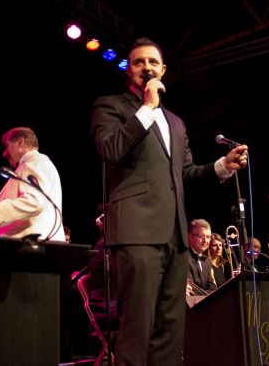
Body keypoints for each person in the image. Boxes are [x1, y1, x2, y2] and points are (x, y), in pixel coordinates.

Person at [90, 37, 248, 366]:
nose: (146, 67)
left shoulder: (176, 122)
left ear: (163, 70)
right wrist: (147, 108)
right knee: (136, 328)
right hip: (136, 232)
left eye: (152, 62)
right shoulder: (110, 106)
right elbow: (111, 150)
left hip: (175, 235)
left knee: (170, 329)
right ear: (128, 69)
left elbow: (185, 174)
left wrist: (222, 166)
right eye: (138, 62)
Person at [0, 126, 65, 242]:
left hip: (35, 246)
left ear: (20, 143)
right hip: (33, 245)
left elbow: (34, 201)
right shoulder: (32, 163)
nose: (4, 153)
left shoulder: (36, 161)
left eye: (7, 146)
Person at [186, 219, 217, 295]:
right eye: (201, 236)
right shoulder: (183, 258)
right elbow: (191, 289)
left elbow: (212, 288)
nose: (206, 241)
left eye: (208, 237)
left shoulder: (207, 260)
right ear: (190, 237)